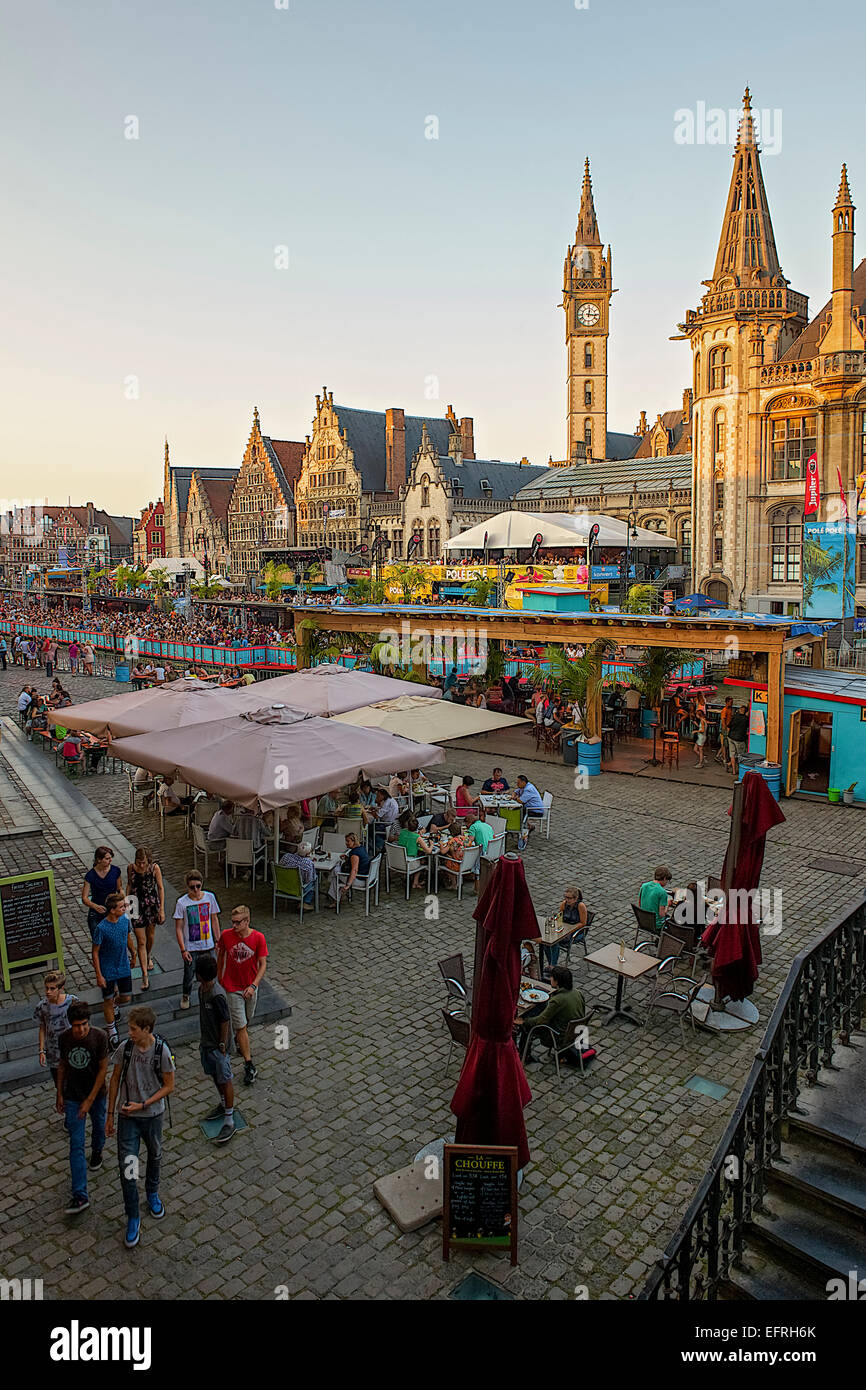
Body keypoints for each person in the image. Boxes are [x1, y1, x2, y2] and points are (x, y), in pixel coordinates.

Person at [106, 1005, 175, 1248]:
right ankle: (133, 1215)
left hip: (153, 1116)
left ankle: (152, 1192)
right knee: (128, 1168)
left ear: (146, 1029)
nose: (130, 1033)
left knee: (155, 1155)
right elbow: (114, 1079)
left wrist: (143, 1104)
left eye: (134, 1029)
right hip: (128, 1118)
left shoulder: (161, 1052)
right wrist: (110, 1114)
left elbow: (169, 1086)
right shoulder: (125, 1049)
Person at [57, 1001, 108, 1214]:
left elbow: (103, 1070)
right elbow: (62, 1065)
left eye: (84, 1024)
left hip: (96, 1096)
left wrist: (90, 1100)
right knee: (76, 1145)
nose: (81, 1029)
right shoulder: (64, 1039)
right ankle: (80, 1194)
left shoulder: (99, 1038)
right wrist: (60, 1092)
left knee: (99, 1127)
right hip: (73, 1097)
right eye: (77, 1025)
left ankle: (97, 1151)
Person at [217, 906, 268, 1086]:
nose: (235, 925)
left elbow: (262, 964)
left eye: (238, 922)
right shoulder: (226, 936)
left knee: (247, 1019)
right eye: (233, 922)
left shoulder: (258, 938)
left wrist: (254, 985)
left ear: (247, 922)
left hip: (250, 987)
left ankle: (241, 1042)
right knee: (240, 1026)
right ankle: (249, 1064)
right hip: (233, 988)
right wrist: (220, 977)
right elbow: (221, 953)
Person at [196, 954, 235, 1143]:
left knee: (225, 1078)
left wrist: (222, 1043)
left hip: (218, 1046)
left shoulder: (216, 994)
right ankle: (222, 1103)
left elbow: (225, 1020)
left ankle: (229, 1119)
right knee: (214, 1074)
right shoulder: (202, 989)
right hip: (207, 1042)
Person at [514, 965, 587, 1065]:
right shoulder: (578, 993)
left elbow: (541, 1020)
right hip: (575, 1032)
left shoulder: (558, 1000)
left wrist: (524, 1021)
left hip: (558, 1036)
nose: (550, 978)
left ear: (557, 981)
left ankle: (524, 1055)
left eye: (552, 977)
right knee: (540, 1008)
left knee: (526, 1026)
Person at [92, 892, 134, 1050]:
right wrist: (99, 974)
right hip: (107, 969)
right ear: (112, 910)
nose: (125, 908)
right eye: (122, 906)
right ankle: (111, 1030)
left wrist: (133, 953)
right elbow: (95, 951)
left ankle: (114, 1005)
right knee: (107, 1000)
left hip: (122, 965)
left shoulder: (124, 921)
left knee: (126, 997)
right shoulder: (102, 928)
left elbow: (127, 937)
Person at [173, 871, 221, 1009]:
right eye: (192, 887)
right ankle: (186, 995)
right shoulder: (182, 903)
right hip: (191, 946)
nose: (195, 890)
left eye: (198, 886)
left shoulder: (209, 897)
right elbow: (179, 927)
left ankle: (211, 995)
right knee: (189, 974)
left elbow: (214, 919)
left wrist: (217, 940)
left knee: (211, 972)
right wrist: (183, 949)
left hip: (208, 944)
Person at [34, 970, 78, 1092]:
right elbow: (42, 1027)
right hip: (54, 1051)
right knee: (60, 1085)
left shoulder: (72, 1001)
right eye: (46, 988)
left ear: (61, 988)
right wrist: (41, 1050)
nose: (48, 992)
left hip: (72, 1048)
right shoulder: (42, 1006)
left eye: (52, 988)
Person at [126, 847, 164, 989]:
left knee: (150, 936)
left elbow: (160, 888)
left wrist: (162, 909)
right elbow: (129, 885)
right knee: (141, 941)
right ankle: (144, 976)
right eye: (139, 862)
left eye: (144, 862)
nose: (141, 865)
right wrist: (126, 902)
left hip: (151, 904)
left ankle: (148, 956)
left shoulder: (154, 868)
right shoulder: (130, 868)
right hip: (135, 905)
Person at [82, 846, 122, 943]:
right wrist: (95, 906)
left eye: (110, 858)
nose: (110, 860)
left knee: (116, 941)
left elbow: (119, 889)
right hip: (96, 913)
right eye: (107, 858)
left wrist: (122, 900)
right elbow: (84, 898)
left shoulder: (115, 871)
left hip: (113, 911)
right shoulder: (90, 875)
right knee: (98, 941)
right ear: (99, 860)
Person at [546, 885, 588, 970]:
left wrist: (570, 929)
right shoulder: (564, 904)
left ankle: (553, 966)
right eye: (565, 897)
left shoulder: (581, 906)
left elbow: (583, 923)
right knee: (546, 941)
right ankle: (550, 962)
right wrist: (555, 919)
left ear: (575, 898)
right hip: (564, 929)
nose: (567, 900)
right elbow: (560, 917)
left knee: (554, 942)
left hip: (576, 931)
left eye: (569, 898)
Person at [328, 831, 370, 906]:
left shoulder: (354, 854)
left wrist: (348, 885)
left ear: (353, 841)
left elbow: (354, 870)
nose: (346, 843)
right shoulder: (361, 848)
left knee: (335, 872)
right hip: (366, 876)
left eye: (348, 841)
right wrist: (348, 858)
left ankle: (335, 900)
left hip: (359, 880)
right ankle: (335, 898)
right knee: (335, 874)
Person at [394, 816, 432, 889]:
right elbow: (429, 851)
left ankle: (413, 880)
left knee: (419, 857)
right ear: (417, 827)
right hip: (409, 863)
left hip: (398, 860)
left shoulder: (402, 832)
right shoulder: (417, 837)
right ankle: (416, 882)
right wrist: (432, 844)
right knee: (423, 861)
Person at [278, 840, 317, 905]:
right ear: (308, 854)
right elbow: (308, 880)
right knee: (314, 880)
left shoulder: (286, 856)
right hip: (298, 889)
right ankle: (305, 903)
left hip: (283, 886)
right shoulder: (308, 864)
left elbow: (280, 868)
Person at [514, 774, 544, 850]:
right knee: (517, 811)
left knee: (519, 813)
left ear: (523, 782)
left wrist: (515, 797)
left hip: (536, 810)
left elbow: (521, 801)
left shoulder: (528, 789)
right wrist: (514, 795)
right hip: (529, 808)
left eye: (518, 783)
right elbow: (516, 791)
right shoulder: (524, 786)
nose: (517, 784)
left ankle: (523, 834)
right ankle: (529, 826)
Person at [364, 786, 399, 852]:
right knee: (371, 827)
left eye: (378, 796)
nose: (377, 797)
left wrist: (372, 812)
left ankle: (376, 847)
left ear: (383, 796)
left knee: (369, 830)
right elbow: (382, 810)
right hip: (391, 822)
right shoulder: (390, 800)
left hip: (386, 824)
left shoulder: (387, 803)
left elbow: (377, 816)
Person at [727, 703, 749, 775]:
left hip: (731, 737)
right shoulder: (746, 719)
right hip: (739, 739)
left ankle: (733, 770)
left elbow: (729, 725)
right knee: (741, 755)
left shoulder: (734, 716)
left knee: (732, 754)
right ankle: (741, 770)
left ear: (739, 710)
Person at [716, 696, 734, 769]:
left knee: (725, 744)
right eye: (731, 702)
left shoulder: (730, 709)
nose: (732, 703)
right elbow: (723, 721)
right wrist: (725, 729)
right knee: (724, 744)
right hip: (725, 729)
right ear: (727, 702)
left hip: (728, 728)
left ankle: (718, 755)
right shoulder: (725, 710)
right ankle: (724, 759)